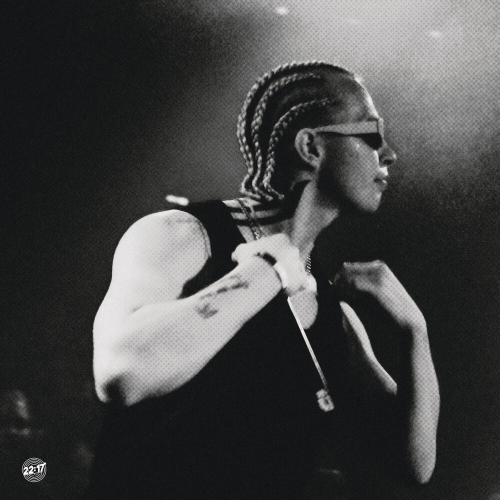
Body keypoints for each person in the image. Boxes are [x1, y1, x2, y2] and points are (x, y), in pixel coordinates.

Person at [87, 61, 440, 499]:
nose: (388, 154)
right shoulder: (184, 236)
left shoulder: (334, 319)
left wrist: (415, 331)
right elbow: (122, 372)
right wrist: (265, 273)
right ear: (311, 147)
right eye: (371, 134)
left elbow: (414, 463)